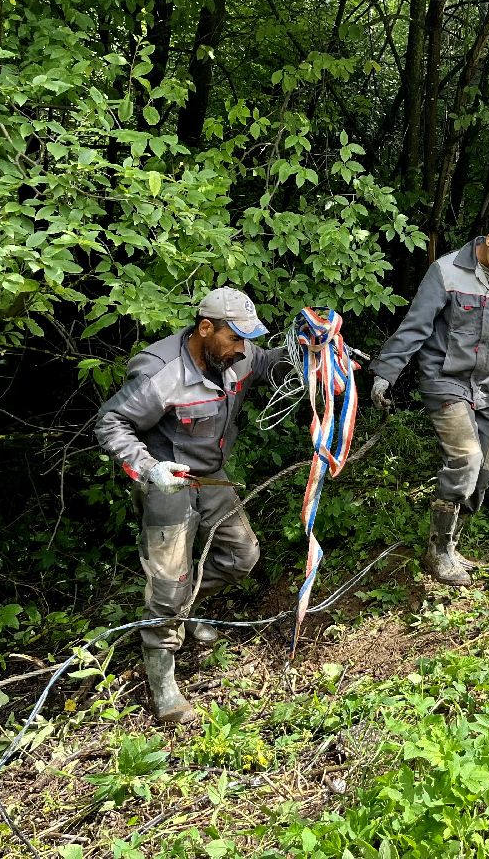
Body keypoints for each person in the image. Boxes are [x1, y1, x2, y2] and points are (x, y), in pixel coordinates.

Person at [94, 287, 287, 724]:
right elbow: (111, 423)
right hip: (168, 486)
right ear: (205, 328)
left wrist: (310, 348)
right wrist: (149, 469)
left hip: (211, 479)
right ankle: (164, 687)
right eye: (235, 338)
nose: (243, 348)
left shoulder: (235, 355)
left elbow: (268, 361)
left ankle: (187, 610)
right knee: (166, 587)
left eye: (246, 339)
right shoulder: (160, 372)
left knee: (242, 556)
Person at [369, 211, 489, 586]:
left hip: (486, 387)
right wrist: (386, 373)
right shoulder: (446, 271)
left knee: (484, 472)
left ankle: (451, 542)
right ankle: (438, 552)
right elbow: (415, 326)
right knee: (467, 458)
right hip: (444, 379)